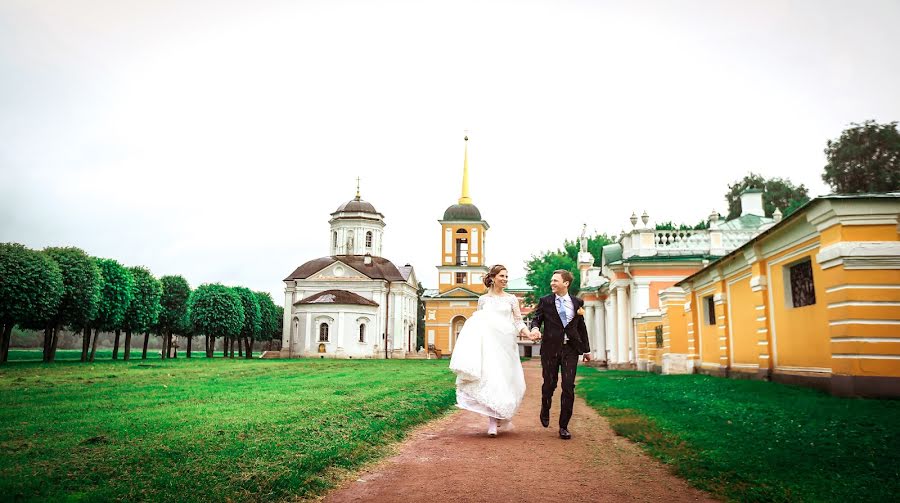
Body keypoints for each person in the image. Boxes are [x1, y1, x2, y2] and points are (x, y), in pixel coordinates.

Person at [449, 264, 530, 437]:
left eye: (507, 276)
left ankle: (502, 412)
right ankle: (492, 421)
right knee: (490, 378)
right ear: (493, 278)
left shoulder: (511, 299)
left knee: (506, 380)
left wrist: (528, 333)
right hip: (488, 345)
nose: (505, 279)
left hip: (506, 344)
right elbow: (479, 323)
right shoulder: (483, 300)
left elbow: (518, 321)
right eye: (502, 276)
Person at [528, 269, 591, 440]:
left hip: (570, 349)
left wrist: (586, 350)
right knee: (550, 384)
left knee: (568, 387)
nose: (552, 283)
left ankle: (564, 426)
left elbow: (581, 327)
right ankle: (545, 406)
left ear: (566, 283)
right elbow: (536, 318)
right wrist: (534, 328)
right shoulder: (545, 301)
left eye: (555, 280)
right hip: (550, 349)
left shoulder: (577, 303)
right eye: (552, 281)